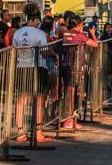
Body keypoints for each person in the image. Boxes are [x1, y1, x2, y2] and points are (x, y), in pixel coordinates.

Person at [12, 10, 52, 143]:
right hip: (38, 66)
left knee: (21, 100)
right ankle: (38, 132)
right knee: (39, 100)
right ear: (35, 20)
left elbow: (13, 50)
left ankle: (20, 132)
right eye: (38, 20)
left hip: (22, 66)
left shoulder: (17, 32)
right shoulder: (40, 33)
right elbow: (45, 52)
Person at [61, 15, 99, 129]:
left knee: (68, 92)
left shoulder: (65, 33)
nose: (83, 26)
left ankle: (67, 119)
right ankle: (69, 120)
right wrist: (92, 34)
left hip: (65, 66)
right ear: (78, 25)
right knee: (73, 94)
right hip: (75, 67)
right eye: (82, 24)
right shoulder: (80, 35)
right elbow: (95, 44)